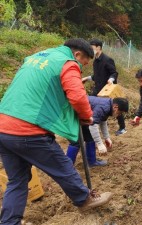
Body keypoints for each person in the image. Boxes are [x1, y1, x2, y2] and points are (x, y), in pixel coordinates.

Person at [0, 39, 113, 223]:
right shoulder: (67, 63)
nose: (81, 68)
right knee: (63, 166)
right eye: (83, 63)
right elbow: (77, 96)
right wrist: (87, 116)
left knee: (17, 181)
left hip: (3, 126)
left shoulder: (36, 57)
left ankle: (9, 222)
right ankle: (84, 198)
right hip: (27, 128)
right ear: (77, 55)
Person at [66, 97, 129, 167]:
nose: (119, 115)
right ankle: (68, 167)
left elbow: (103, 121)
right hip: (70, 115)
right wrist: (100, 144)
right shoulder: (103, 107)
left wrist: (106, 138)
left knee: (90, 137)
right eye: (120, 112)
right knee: (76, 141)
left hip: (82, 117)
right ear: (116, 107)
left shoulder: (108, 107)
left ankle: (91, 162)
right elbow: (93, 126)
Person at [82, 39, 127, 136]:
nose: (90, 50)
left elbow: (114, 72)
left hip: (108, 89)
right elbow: (97, 75)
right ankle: (92, 123)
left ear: (98, 47)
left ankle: (122, 128)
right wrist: (87, 78)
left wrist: (111, 79)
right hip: (98, 88)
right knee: (92, 104)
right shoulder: (95, 61)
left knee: (116, 108)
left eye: (92, 48)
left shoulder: (107, 59)